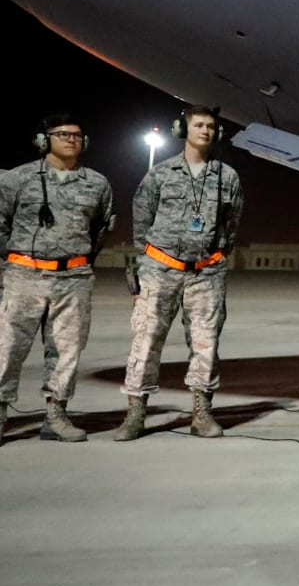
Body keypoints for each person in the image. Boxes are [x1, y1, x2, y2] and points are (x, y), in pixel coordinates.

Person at [115, 106, 244, 440]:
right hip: (161, 270)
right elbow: (141, 219)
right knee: (146, 341)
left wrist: (213, 256)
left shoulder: (226, 177)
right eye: (199, 125)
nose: (206, 131)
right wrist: (153, 258)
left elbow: (231, 226)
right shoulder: (160, 173)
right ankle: (135, 414)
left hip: (206, 273)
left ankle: (201, 414)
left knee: (206, 344)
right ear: (182, 130)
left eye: (212, 126)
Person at [0, 114, 117, 443]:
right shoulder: (16, 179)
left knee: (66, 352)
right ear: (43, 140)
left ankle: (56, 416)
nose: (71, 139)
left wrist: (76, 260)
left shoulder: (96, 184)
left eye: (78, 135)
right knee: (6, 351)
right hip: (24, 276)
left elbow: (100, 230)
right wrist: (15, 258)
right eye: (62, 134)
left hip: (74, 279)